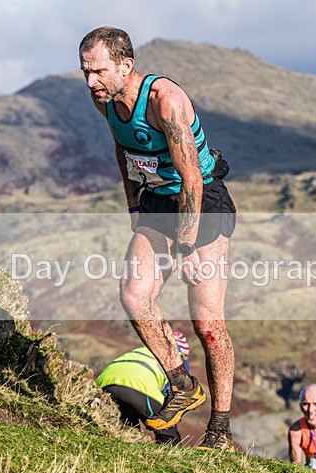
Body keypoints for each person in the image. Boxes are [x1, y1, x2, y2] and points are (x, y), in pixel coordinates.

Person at [79, 27, 237, 450]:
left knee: (207, 323)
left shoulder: (165, 102)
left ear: (126, 66)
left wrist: (186, 246)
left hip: (202, 201)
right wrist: (134, 207)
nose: (91, 81)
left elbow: (192, 181)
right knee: (134, 296)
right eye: (85, 71)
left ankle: (219, 430)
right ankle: (182, 382)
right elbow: (122, 146)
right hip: (156, 202)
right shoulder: (105, 102)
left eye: (98, 71)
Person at [96, 330, 192, 445]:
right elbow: (172, 394)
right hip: (139, 386)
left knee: (128, 431)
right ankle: (162, 461)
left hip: (105, 383)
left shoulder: (143, 350)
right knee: (168, 435)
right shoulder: (175, 360)